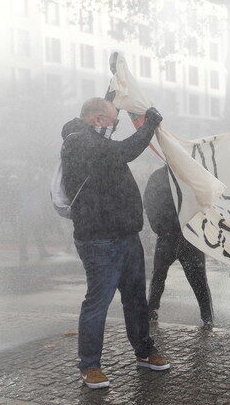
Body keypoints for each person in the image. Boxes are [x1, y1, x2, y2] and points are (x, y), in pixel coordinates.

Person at [61, 98, 169, 389]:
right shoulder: (78, 141)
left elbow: (110, 121)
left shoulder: (94, 138)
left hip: (126, 235)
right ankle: (90, 365)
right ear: (97, 120)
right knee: (98, 302)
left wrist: (117, 94)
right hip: (98, 239)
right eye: (113, 121)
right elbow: (125, 150)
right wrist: (149, 126)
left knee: (135, 299)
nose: (115, 126)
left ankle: (145, 350)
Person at [145, 164, 213, 329]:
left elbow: (206, 200)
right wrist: (160, 228)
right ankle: (151, 311)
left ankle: (207, 317)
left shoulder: (188, 175)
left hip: (186, 236)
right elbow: (149, 203)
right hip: (174, 236)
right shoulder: (167, 176)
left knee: (196, 280)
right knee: (160, 277)